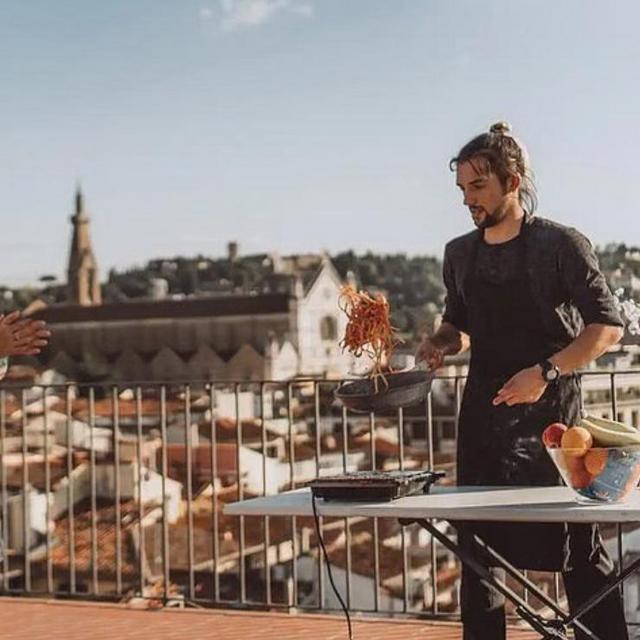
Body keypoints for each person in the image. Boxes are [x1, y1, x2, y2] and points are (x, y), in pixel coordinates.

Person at [415, 122, 628, 640]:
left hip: (553, 420)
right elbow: (459, 324)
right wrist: (441, 342)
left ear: (513, 182)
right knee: (477, 555)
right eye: (462, 190)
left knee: (578, 551)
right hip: (483, 422)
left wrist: (546, 371)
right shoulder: (458, 254)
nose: (468, 199)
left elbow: (608, 329)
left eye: (478, 187)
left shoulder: (561, 245)